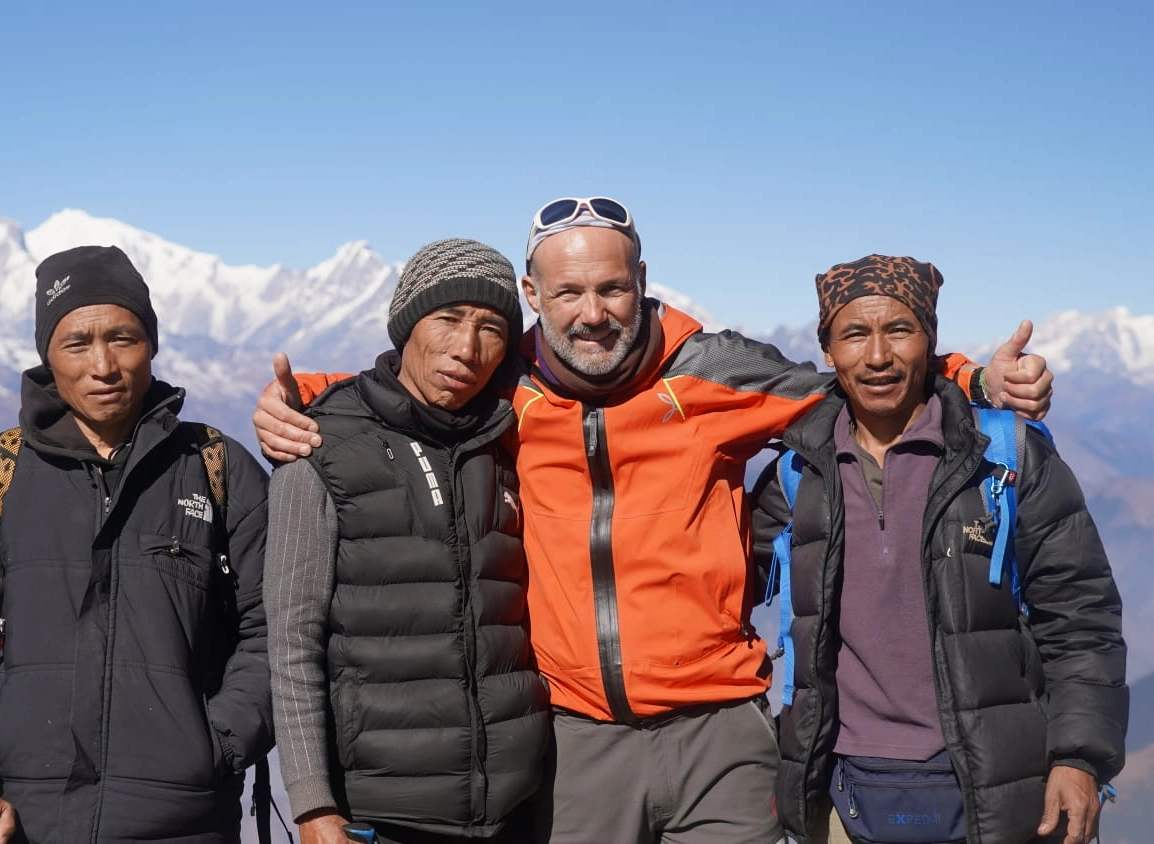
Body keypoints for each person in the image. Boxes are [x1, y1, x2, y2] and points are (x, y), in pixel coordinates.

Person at [253, 198, 1053, 843]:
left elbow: (855, 385)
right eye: (568, 293)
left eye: (612, 288)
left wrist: (974, 377)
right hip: (573, 744)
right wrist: (293, 403)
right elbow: (404, 392)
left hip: (720, 735)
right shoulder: (505, 384)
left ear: (642, 280)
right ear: (535, 298)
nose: (593, 312)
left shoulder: (712, 372)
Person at [0, 246, 273, 844]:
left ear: (152, 344)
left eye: (123, 337)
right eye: (77, 343)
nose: (103, 365)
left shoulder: (217, 469)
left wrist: (216, 746)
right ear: (48, 355)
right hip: (17, 825)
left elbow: (278, 629)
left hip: (185, 825)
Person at [750, 255, 1125, 844]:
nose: (877, 356)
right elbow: (716, 584)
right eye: (854, 334)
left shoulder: (1005, 458)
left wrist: (1079, 758)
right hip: (842, 796)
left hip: (1000, 792)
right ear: (827, 350)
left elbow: (1082, 619)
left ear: (930, 340)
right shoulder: (799, 474)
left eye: (900, 329)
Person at [264, 238, 548, 844]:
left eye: (492, 328)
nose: (467, 348)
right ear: (405, 326)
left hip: (516, 812)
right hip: (381, 816)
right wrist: (312, 805)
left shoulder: (510, 439)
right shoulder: (318, 447)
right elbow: (290, 640)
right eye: (447, 319)